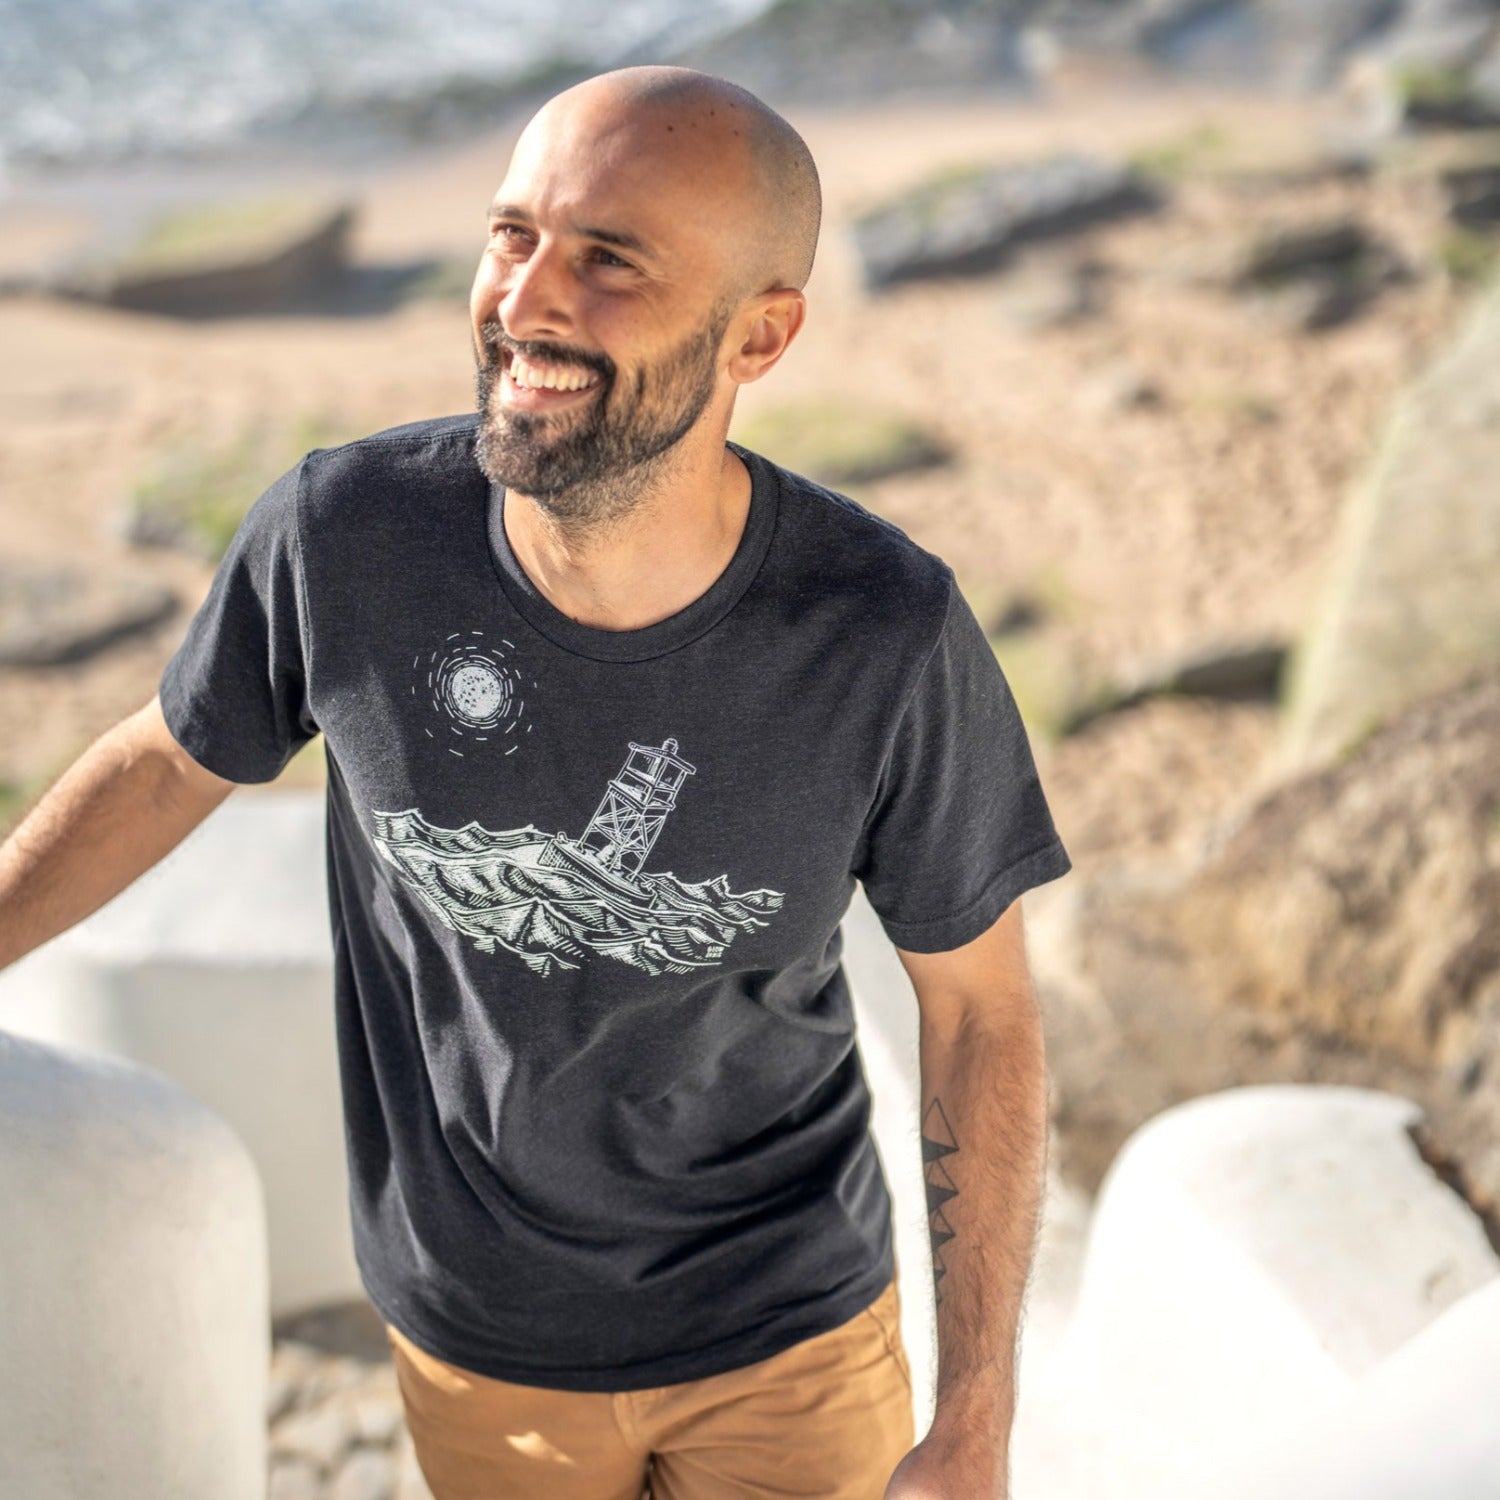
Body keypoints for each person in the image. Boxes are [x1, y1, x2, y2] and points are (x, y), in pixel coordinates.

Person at [0, 64, 1072, 1500]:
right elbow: (164, 763)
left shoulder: (882, 634)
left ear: (760, 335)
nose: (527, 299)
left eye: (609, 259)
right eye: (514, 234)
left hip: (790, 1335)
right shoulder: (346, 536)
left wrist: (978, 1412)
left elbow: (979, 1012)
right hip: (474, 1342)